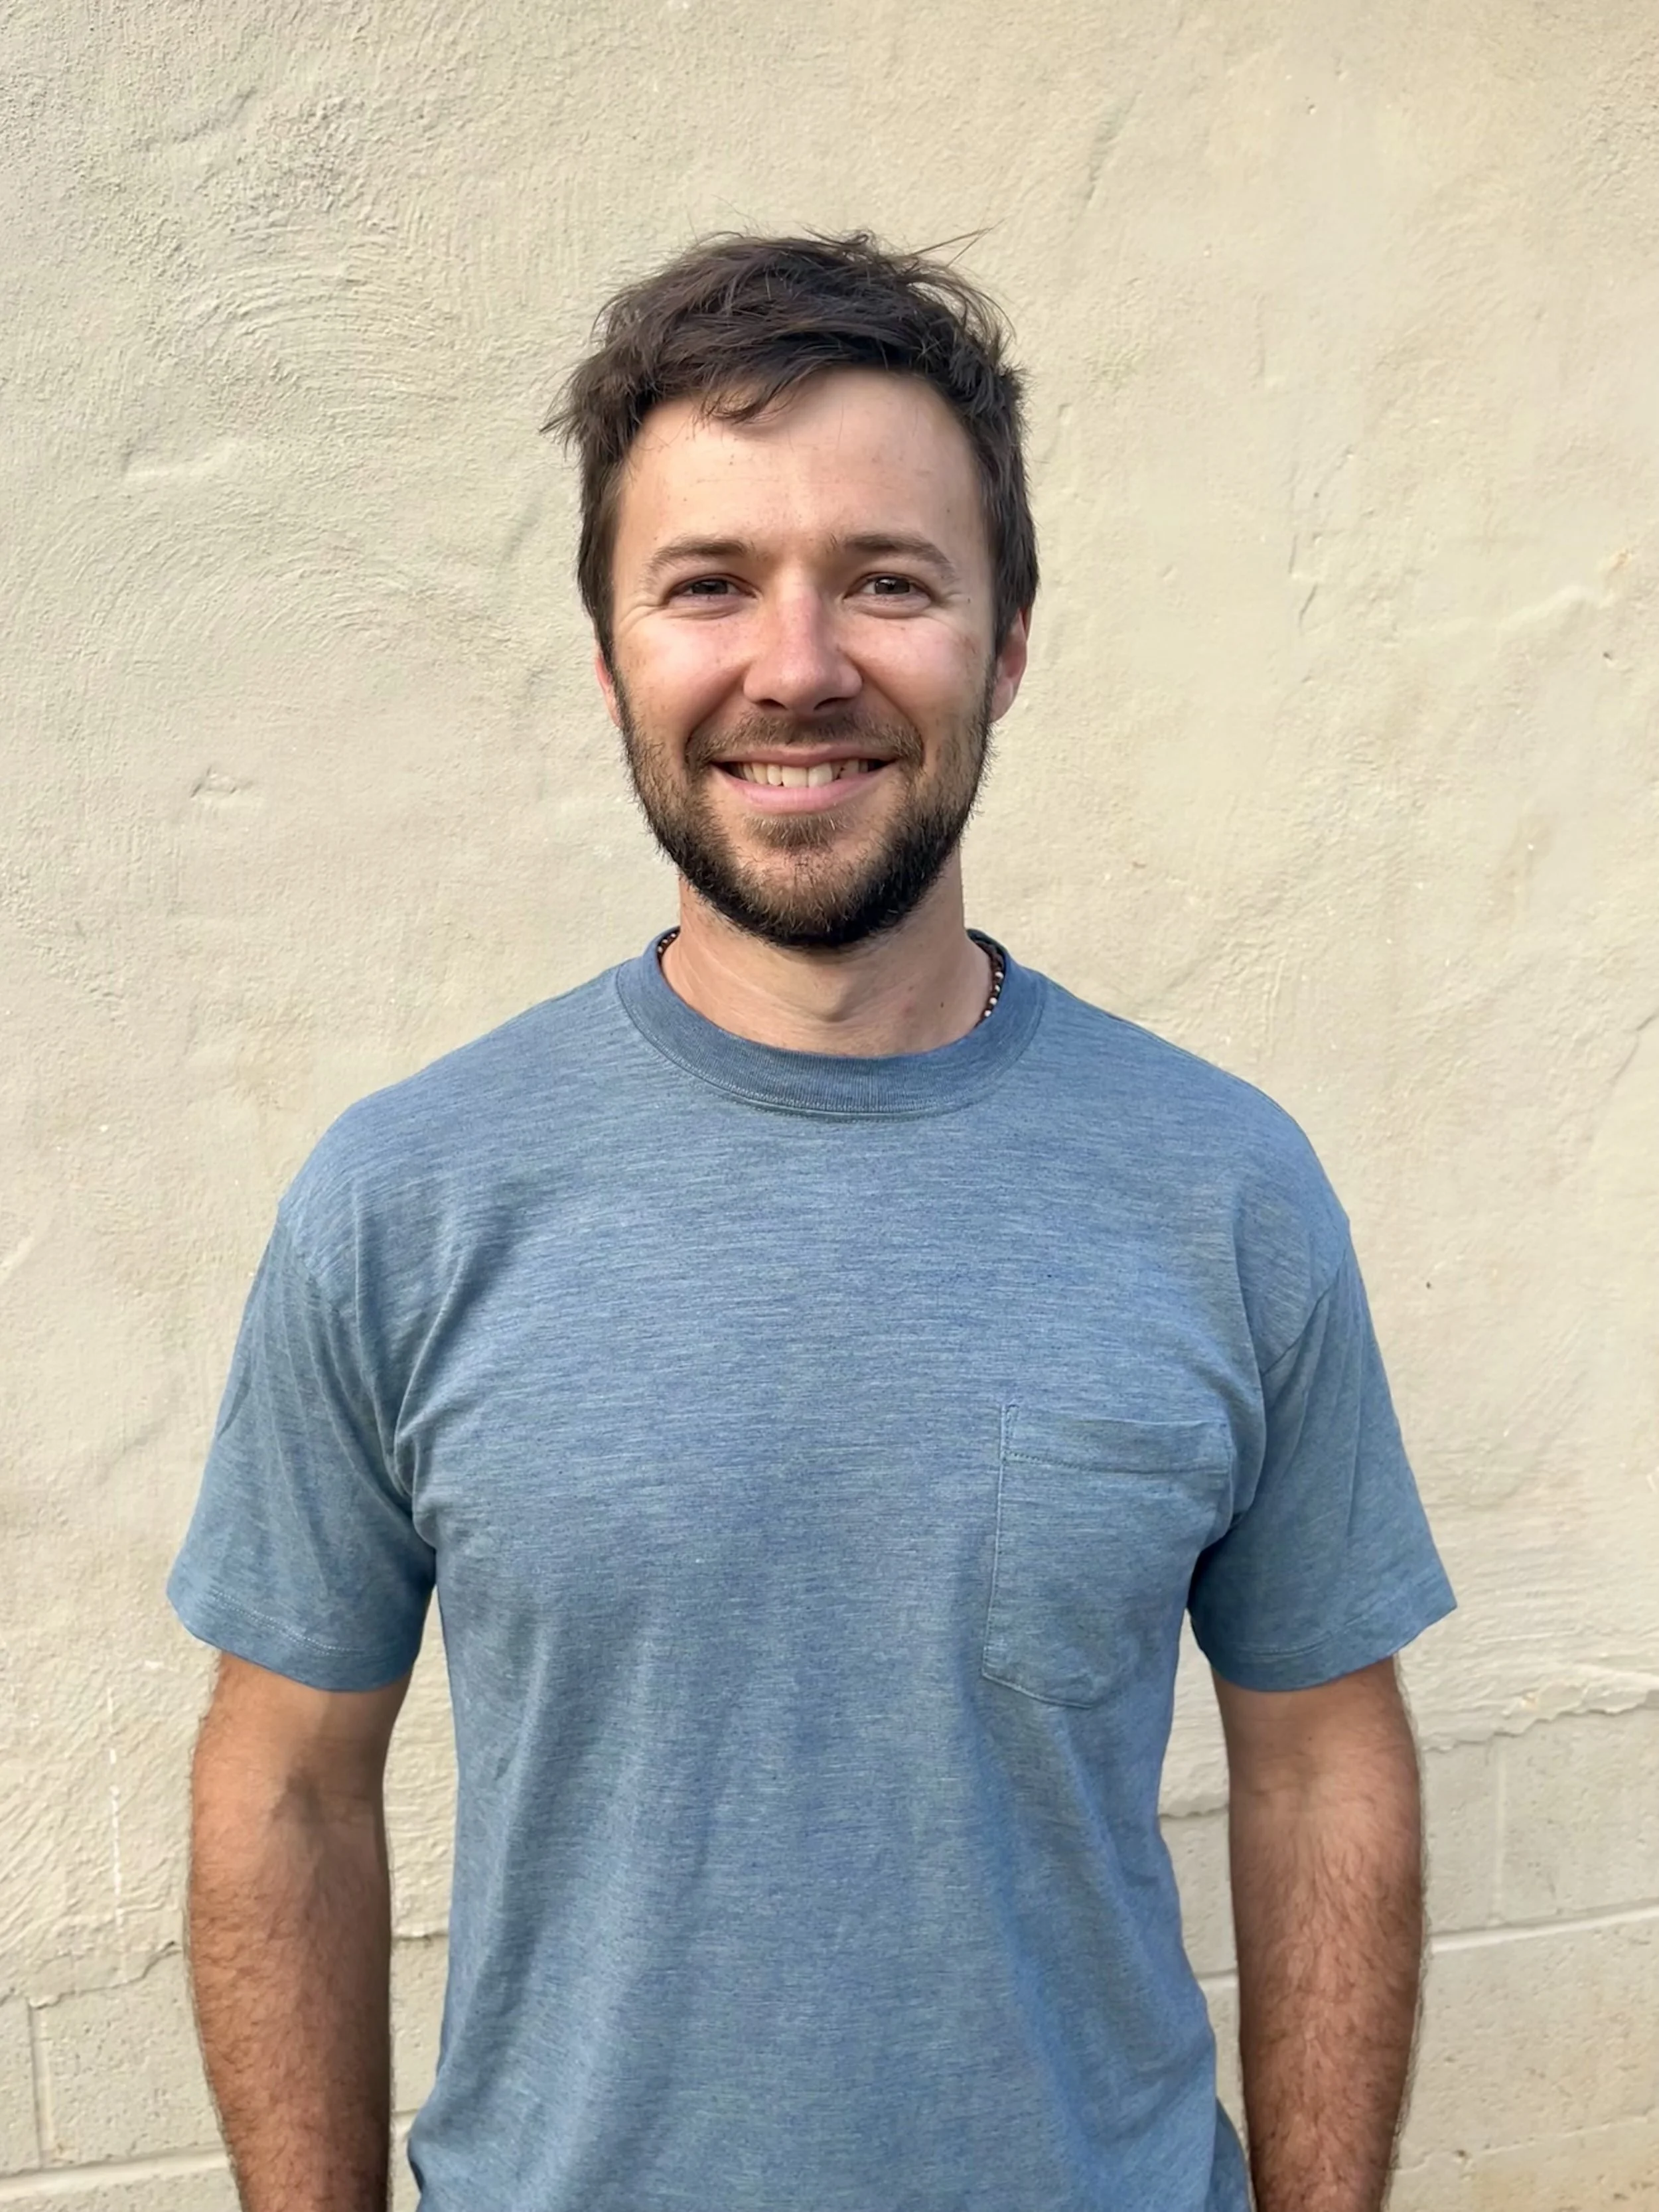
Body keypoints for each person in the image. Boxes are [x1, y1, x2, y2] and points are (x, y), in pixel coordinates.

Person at [170, 232, 1455, 2212]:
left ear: (1003, 639)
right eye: (708, 584)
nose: (797, 665)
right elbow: (285, 1786)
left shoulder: (1223, 1187)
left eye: (886, 579)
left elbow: (1316, 1763)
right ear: (611, 655)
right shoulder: (406, 1200)